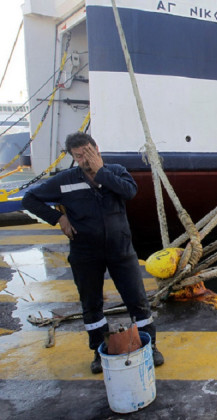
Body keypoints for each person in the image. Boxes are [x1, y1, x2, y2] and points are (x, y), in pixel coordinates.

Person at [22, 132, 164, 373]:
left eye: (88, 153)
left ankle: (149, 346)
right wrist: (58, 218)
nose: (84, 160)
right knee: (91, 304)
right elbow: (30, 199)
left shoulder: (116, 171)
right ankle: (99, 350)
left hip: (121, 249)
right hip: (85, 251)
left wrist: (101, 172)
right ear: (73, 157)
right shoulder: (65, 180)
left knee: (137, 301)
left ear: (97, 149)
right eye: (79, 156)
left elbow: (129, 192)